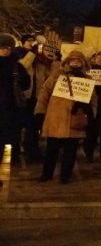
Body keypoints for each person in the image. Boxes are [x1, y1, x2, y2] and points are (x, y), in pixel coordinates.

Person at [35, 50, 97, 184]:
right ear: (68, 61)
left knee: (70, 151)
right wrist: (40, 111)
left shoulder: (87, 80)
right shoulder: (57, 76)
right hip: (56, 118)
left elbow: (93, 99)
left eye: (78, 60)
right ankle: (47, 174)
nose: (75, 62)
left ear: (83, 63)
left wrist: (88, 110)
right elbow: (44, 92)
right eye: (73, 60)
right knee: (52, 149)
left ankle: (65, 176)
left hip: (75, 119)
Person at [16, 34, 61, 162]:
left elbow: (53, 76)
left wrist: (57, 60)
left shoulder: (44, 63)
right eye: (29, 41)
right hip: (26, 97)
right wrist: (33, 52)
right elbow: (23, 65)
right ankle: (22, 150)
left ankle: (32, 151)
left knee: (33, 127)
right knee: (23, 126)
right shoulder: (24, 55)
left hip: (37, 98)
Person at [0, 34, 30, 164]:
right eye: (2, 47)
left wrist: (17, 84)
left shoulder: (17, 66)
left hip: (12, 107)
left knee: (13, 134)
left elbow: (26, 84)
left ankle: (14, 157)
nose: (5, 50)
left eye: (7, 47)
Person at [84, 51, 101, 163]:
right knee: (89, 132)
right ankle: (88, 155)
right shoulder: (87, 72)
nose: (100, 59)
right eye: (98, 57)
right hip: (90, 107)